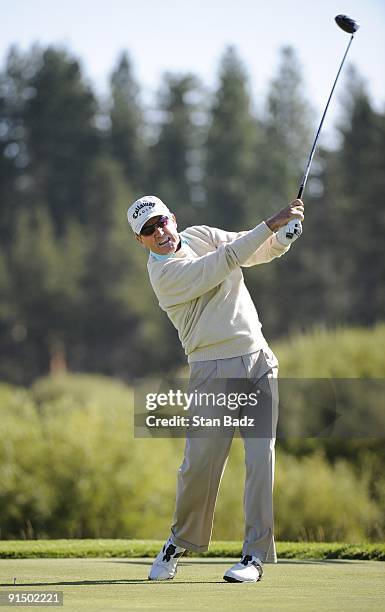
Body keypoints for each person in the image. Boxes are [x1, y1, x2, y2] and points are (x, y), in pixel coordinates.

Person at [127, 195, 304, 583]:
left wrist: (281, 240)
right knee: (200, 466)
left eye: (161, 222)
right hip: (212, 370)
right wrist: (272, 222)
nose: (160, 233)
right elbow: (222, 263)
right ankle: (179, 541)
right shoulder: (164, 275)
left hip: (258, 358)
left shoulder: (201, 235)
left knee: (262, 458)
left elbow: (250, 249)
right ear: (140, 241)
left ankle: (254, 556)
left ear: (173, 218)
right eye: (148, 231)